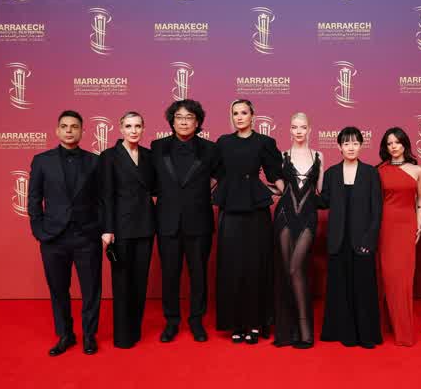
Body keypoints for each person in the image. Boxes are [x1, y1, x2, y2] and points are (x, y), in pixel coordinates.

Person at [27, 110, 102, 356]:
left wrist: (98, 228)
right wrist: (39, 230)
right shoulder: (42, 161)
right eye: (64, 126)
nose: (69, 130)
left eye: (74, 126)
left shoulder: (95, 161)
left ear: (82, 131)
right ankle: (65, 335)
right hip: (53, 237)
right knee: (58, 289)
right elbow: (34, 198)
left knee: (91, 289)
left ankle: (89, 335)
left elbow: (102, 199)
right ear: (57, 130)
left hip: (86, 236)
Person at [214, 99, 284, 344]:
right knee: (232, 266)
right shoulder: (223, 142)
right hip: (230, 209)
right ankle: (236, 323)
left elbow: (275, 173)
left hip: (256, 212)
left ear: (253, 115)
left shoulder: (265, 142)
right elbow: (215, 174)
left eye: (244, 112)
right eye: (235, 113)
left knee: (256, 265)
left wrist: (289, 195)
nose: (239, 117)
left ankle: (255, 322)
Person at [151, 99, 219, 343]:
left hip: (199, 221)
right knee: (169, 274)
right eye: (179, 117)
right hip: (167, 220)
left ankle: (196, 320)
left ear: (197, 122)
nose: (183, 121)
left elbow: (221, 177)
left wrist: (201, 194)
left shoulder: (210, 149)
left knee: (198, 275)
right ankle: (171, 321)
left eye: (189, 117)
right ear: (172, 121)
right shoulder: (157, 147)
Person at [320, 126, 383, 349]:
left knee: (363, 289)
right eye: (346, 143)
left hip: (362, 242)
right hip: (338, 241)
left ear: (361, 146)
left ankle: (365, 335)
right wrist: (300, 187)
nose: (351, 147)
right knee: (339, 289)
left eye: (355, 143)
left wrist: (370, 241)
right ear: (339, 147)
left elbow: (377, 211)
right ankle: (341, 332)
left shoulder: (370, 173)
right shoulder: (331, 173)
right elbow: (323, 201)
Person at [99, 111, 155, 349]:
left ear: (143, 129)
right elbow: (105, 195)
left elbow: (156, 187)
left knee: (140, 281)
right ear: (120, 129)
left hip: (146, 225)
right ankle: (123, 336)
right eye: (129, 126)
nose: (134, 130)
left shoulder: (149, 156)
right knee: (122, 282)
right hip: (120, 228)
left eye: (138, 126)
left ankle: (135, 330)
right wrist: (107, 228)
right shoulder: (109, 156)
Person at [273, 112, 324, 349]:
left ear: (310, 129)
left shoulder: (319, 156)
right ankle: (289, 331)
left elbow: (319, 191)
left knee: (296, 268)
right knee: (287, 271)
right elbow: (280, 187)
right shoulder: (283, 156)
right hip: (284, 216)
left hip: (308, 217)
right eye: (294, 127)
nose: (299, 131)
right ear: (290, 130)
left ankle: (305, 330)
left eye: (303, 127)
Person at [377, 127, 421, 346]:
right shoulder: (379, 171)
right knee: (388, 276)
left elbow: (420, 199)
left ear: (405, 143)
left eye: (397, 142)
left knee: (404, 278)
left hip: (407, 225)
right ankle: (386, 324)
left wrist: (419, 224)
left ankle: (404, 330)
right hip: (386, 226)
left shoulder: (417, 170)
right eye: (389, 143)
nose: (393, 146)